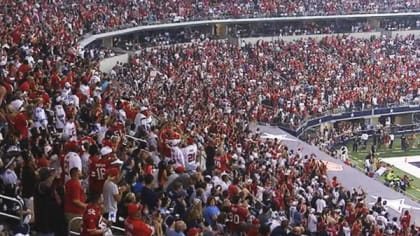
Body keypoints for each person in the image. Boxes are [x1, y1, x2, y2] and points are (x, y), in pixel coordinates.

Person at [64, 167, 87, 233]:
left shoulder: (68, 182)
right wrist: (86, 206)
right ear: (76, 173)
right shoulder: (75, 184)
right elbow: (75, 200)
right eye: (79, 171)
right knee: (76, 232)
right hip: (74, 212)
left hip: (70, 211)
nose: (81, 173)